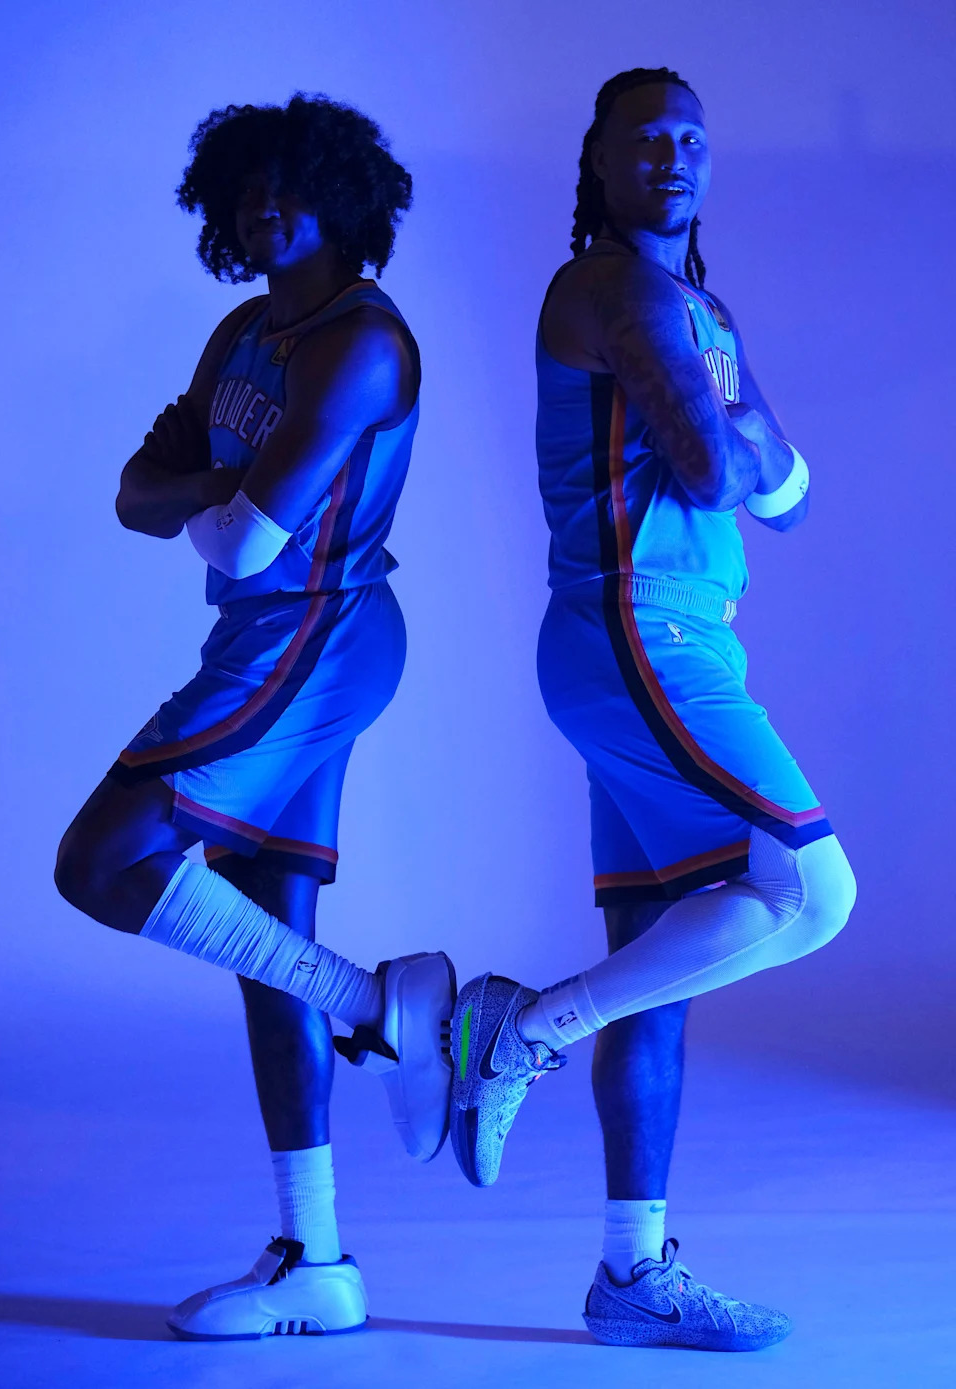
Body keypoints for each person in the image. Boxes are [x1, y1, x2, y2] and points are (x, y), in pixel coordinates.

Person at [449, 67, 856, 1352]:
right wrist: (737, 436)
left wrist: (741, 439)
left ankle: (631, 1275)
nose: (673, 156)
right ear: (601, 163)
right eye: (646, 139)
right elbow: (718, 465)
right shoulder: (611, 287)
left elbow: (787, 494)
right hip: (641, 630)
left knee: (653, 976)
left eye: (691, 138)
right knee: (815, 889)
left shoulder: (699, 305)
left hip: (664, 641)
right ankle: (519, 1030)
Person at [54, 93, 455, 1341]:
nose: (262, 207)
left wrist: (202, 489)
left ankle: (374, 1004)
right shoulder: (242, 331)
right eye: (243, 190)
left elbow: (235, 528)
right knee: (255, 936)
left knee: (98, 858)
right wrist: (206, 490)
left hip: (319, 635)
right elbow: (131, 496)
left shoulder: (362, 342)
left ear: (343, 198)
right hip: (259, 632)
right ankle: (316, 1261)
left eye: (288, 185)